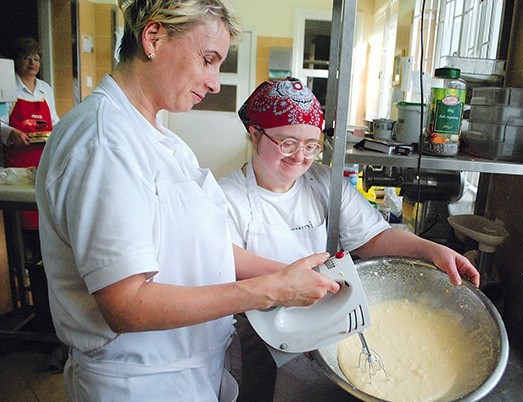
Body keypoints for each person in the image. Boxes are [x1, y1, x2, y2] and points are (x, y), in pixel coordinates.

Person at [34, 2, 339, 401]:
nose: (215, 82)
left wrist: (291, 275)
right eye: (208, 59)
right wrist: (270, 290)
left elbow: (200, 250)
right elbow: (127, 305)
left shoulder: (157, 138)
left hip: (185, 374)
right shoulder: (103, 143)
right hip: (140, 384)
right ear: (154, 38)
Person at [218, 77, 481, 400]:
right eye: (287, 143)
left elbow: (373, 238)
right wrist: (293, 278)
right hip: (258, 337)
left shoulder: (323, 184)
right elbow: (225, 258)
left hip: (324, 322)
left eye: (311, 146)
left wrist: (432, 250)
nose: (300, 157)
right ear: (255, 133)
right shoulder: (226, 195)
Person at [0, 37, 60, 254]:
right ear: (18, 60)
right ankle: (22, 254)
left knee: (42, 209)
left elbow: (54, 120)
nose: (33, 63)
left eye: (36, 58)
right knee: (21, 214)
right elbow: (1, 122)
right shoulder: (8, 88)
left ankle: (40, 255)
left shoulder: (45, 89)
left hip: (41, 156)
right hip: (17, 158)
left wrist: (60, 133)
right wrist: (11, 132)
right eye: (27, 58)